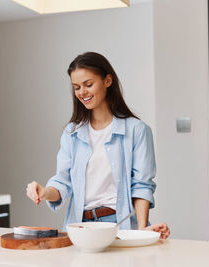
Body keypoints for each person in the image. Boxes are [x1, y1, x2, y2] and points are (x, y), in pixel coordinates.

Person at [26, 52, 170, 239]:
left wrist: (142, 230)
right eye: (76, 87)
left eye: (88, 85)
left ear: (107, 81)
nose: (82, 93)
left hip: (119, 225)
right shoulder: (72, 133)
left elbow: (142, 185)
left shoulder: (137, 130)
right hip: (80, 229)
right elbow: (62, 182)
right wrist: (45, 192)